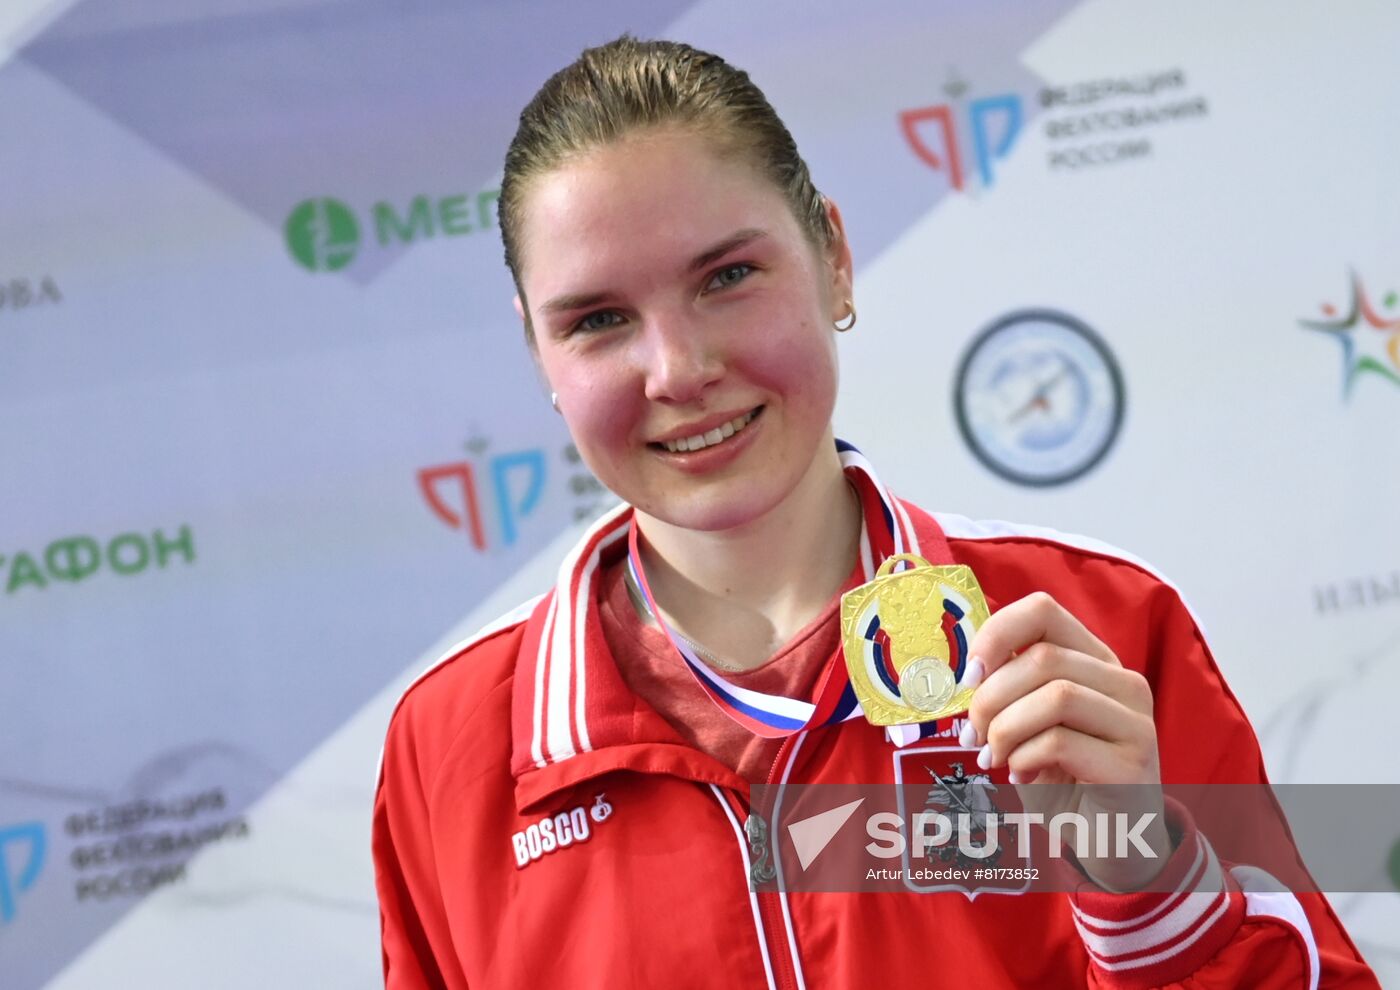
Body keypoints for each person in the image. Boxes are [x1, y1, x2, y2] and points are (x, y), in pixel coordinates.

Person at [372, 36, 1378, 988]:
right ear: (538, 354)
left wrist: (1147, 887)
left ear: (833, 259)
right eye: (596, 320)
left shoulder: (1098, 633)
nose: (677, 370)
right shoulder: (450, 752)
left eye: (727, 276)